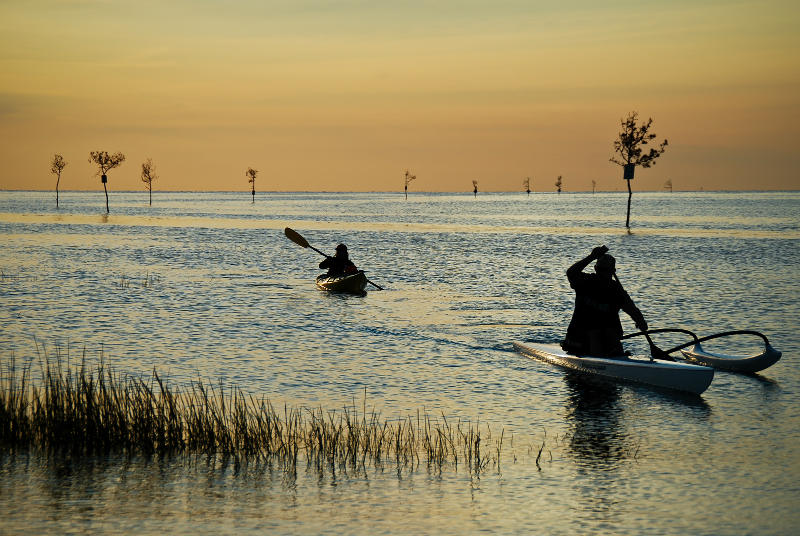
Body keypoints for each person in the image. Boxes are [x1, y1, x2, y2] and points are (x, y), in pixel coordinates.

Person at [561, 246, 648, 357]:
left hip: (608, 339)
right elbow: (571, 273)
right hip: (580, 339)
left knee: (608, 332)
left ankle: (616, 356)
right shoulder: (585, 282)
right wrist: (591, 257)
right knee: (595, 332)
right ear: (596, 269)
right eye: (601, 270)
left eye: (606, 271)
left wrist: (640, 321)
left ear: (612, 271)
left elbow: (632, 309)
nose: (603, 274)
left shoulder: (617, 290)